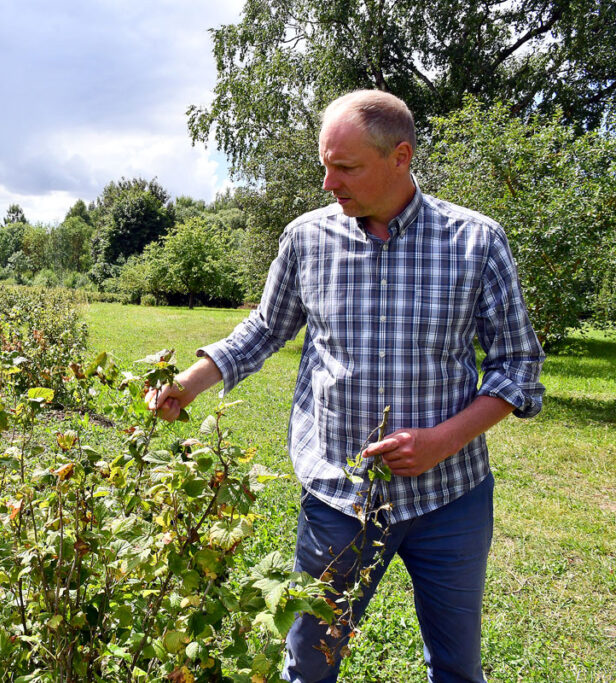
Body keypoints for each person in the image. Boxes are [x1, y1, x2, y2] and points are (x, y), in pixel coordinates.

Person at [147, 90, 545, 682]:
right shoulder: (307, 238)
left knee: (458, 667)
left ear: (401, 156)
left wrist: (442, 440)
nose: (329, 183)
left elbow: (518, 367)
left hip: (451, 500)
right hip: (339, 498)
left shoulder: (476, 241)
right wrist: (191, 381)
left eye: (346, 167)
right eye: (325, 165)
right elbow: (263, 329)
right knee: (309, 665)